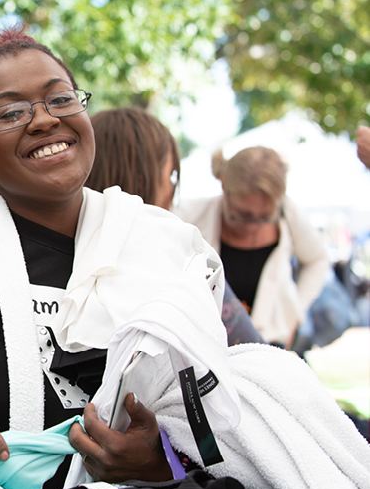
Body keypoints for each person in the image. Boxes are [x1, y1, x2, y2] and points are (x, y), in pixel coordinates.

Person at [0, 27, 240, 489]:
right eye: (11, 113)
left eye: (60, 100)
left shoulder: (160, 246)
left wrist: (156, 463)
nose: (43, 121)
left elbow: (220, 420)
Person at [86, 107, 263, 347]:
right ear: (142, 180)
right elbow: (252, 346)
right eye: (170, 176)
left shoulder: (70, 258)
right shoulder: (182, 262)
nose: (172, 190)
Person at [175, 146, 329, 348]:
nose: (252, 227)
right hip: (206, 348)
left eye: (264, 218)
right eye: (242, 215)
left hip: (274, 345)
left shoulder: (289, 215)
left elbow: (317, 259)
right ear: (223, 186)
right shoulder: (189, 216)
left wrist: (296, 311)